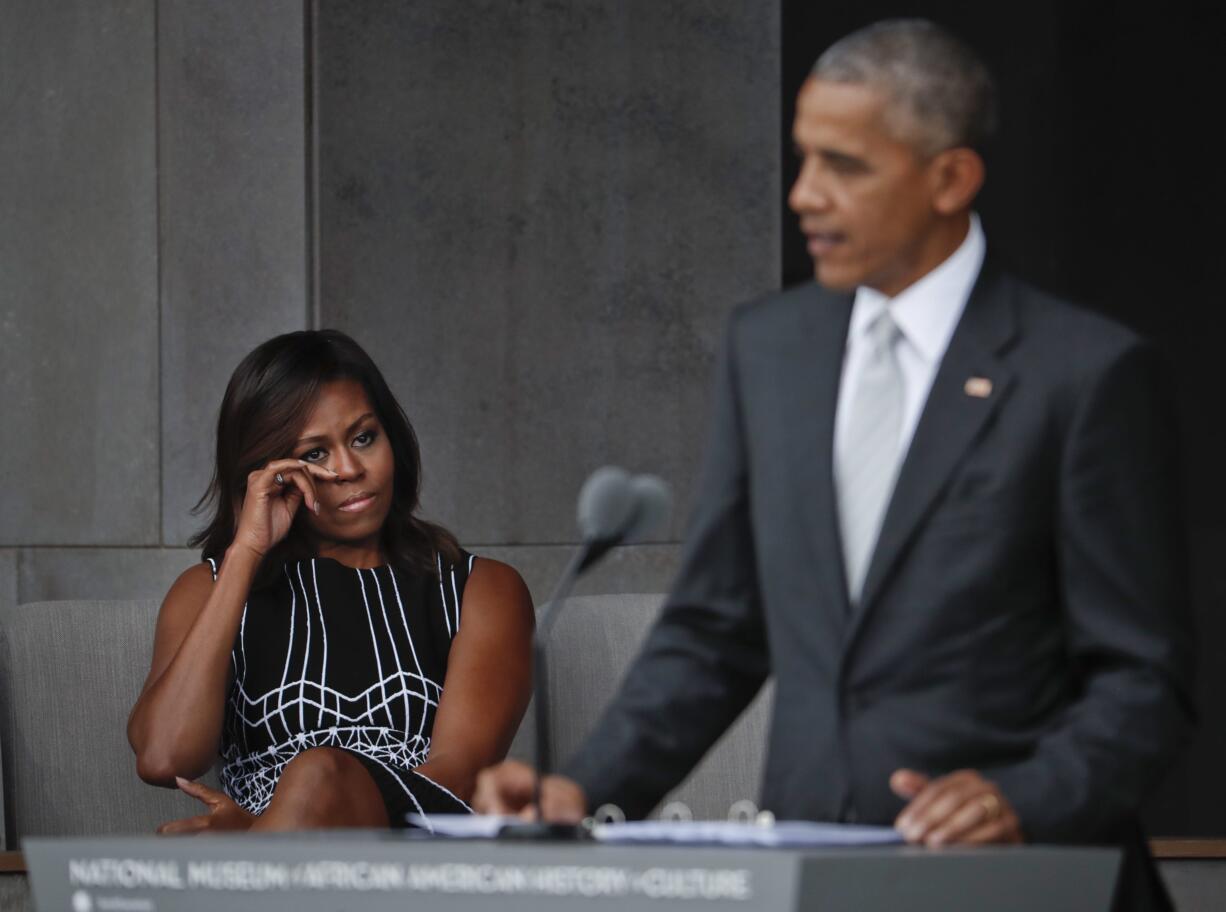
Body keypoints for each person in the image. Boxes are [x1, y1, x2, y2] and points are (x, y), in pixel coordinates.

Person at [474, 19, 1193, 911]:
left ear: (950, 178)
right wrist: (581, 789)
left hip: (1027, 880)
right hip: (817, 877)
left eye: (845, 166)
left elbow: (1142, 681)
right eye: (803, 159)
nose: (805, 195)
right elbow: (715, 628)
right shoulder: (769, 350)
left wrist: (1025, 798)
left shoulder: (1083, 374)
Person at [128, 329, 534, 831]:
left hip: (412, 867)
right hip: (273, 879)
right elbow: (165, 757)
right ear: (267, 472)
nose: (348, 469)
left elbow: (453, 781)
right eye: (315, 454)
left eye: (364, 437)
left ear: (393, 438)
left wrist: (261, 831)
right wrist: (245, 554)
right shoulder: (209, 590)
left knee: (320, 771)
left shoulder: (480, 589)